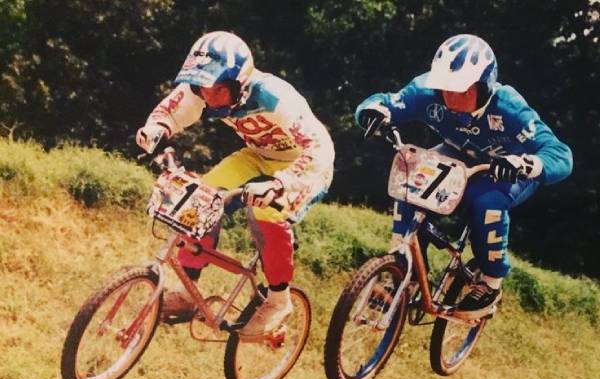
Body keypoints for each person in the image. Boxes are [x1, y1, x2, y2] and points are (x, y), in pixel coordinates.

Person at [355, 34, 572, 319]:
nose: (451, 98)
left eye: (461, 90)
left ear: (484, 86)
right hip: (458, 154)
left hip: (508, 168)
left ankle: (490, 283)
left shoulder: (509, 107)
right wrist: (370, 111)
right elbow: (385, 102)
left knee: (486, 201)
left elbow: (560, 154)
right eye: (445, 88)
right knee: (411, 180)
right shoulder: (426, 91)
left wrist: (529, 164)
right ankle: (404, 269)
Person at [136, 31, 334, 337]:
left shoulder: (276, 97)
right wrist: (156, 129)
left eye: (218, 90)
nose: (209, 98)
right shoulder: (204, 87)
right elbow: (171, 111)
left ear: (239, 82)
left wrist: (280, 184)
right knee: (200, 196)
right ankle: (188, 294)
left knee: (265, 212)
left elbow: (321, 149)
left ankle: (279, 300)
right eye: (203, 89)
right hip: (258, 155)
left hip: (304, 167)